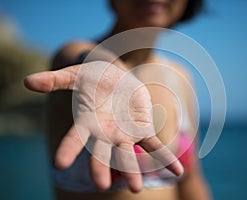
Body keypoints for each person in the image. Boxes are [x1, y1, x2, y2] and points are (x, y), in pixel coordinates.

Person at [24, 0, 212, 199]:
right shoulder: (73, 56)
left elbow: (191, 181)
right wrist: (107, 73)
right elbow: (90, 58)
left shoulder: (181, 76)